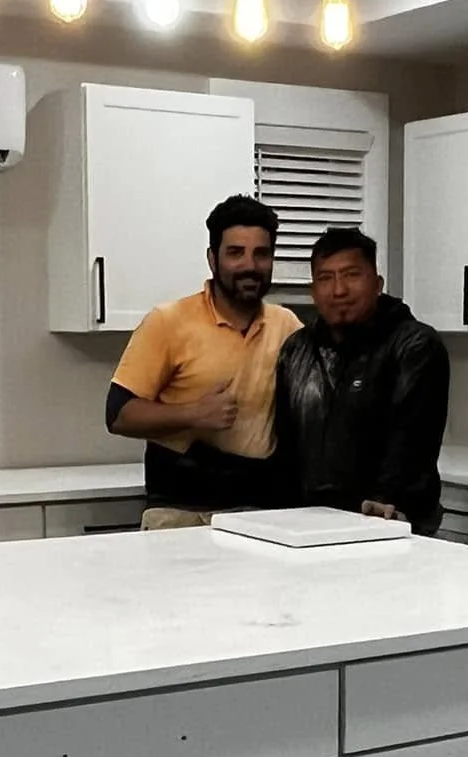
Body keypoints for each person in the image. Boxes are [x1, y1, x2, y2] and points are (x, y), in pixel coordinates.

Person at [107, 195, 302, 529]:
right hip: (182, 511)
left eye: (261, 253)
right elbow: (118, 415)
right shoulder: (168, 322)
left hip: (261, 513)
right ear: (213, 259)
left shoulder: (288, 327)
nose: (249, 266)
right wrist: (194, 413)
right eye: (235, 253)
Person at [274, 226, 450, 534]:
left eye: (352, 275)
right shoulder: (295, 351)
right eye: (325, 278)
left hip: (390, 525)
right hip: (308, 526)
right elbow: (286, 446)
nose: (338, 290)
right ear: (313, 291)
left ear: (377, 284)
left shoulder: (413, 345)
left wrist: (386, 499)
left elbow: (412, 439)